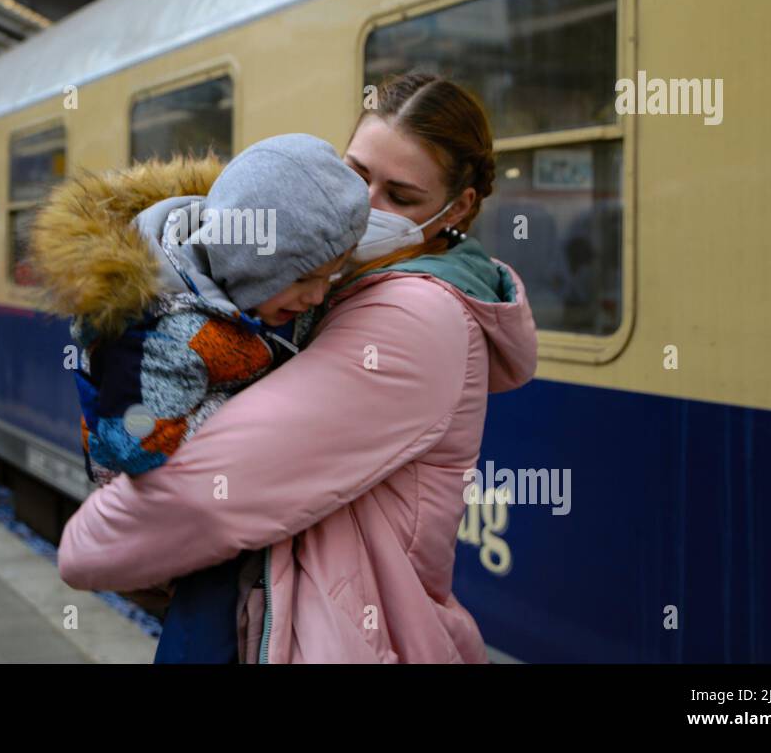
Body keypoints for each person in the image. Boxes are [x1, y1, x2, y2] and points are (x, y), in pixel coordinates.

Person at [57, 74, 539, 663]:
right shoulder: (326, 275)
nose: (365, 208)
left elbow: (211, 495)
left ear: (457, 208)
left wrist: (85, 544)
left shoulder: (415, 314)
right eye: (357, 174)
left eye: (401, 196)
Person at [30, 134, 370, 663]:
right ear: (251, 263)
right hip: (148, 481)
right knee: (210, 616)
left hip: (222, 490)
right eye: (305, 278)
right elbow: (135, 442)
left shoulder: (259, 289)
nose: (318, 296)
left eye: (332, 277)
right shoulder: (169, 331)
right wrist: (260, 422)